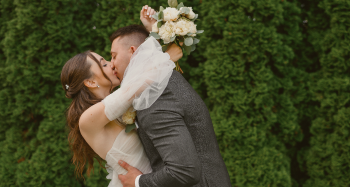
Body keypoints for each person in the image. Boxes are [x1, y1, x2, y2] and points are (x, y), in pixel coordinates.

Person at [60, 6, 183, 187]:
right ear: (91, 82)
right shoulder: (87, 120)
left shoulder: (119, 99)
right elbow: (134, 87)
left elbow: (143, 74)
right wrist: (166, 58)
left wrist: (152, 28)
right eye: (103, 64)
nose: (111, 64)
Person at [111, 6, 232, 187]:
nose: (112, 65)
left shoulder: (153, 96)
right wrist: (154, 30)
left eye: (113, 56)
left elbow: (184, 171)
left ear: (133, 51)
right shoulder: (166, 78)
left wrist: (138, 182)